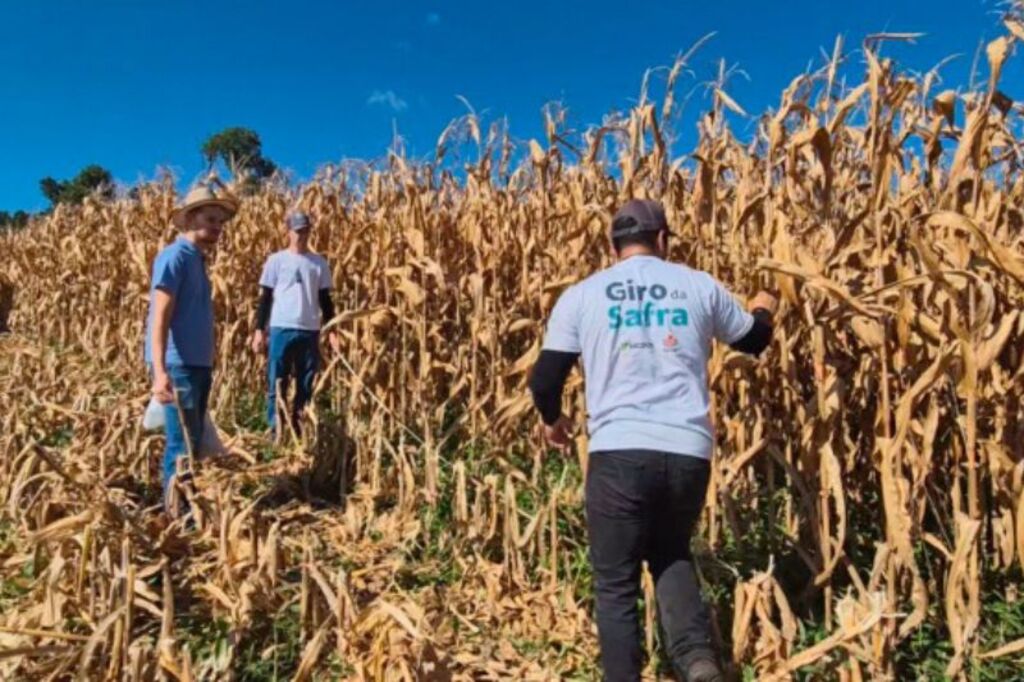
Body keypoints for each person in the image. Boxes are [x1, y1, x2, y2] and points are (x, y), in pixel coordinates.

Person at [527, 199, 777, 682]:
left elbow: (544, 380)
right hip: (687, 452)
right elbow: (752, 340)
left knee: (616, 582)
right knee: (670, 552)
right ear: (663, 239)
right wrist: (765, 308)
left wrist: (553, 420)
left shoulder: (583, 295)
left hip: (618, 452)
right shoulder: (698, 285)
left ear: (613, 246)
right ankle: (698, 662)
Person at [146, 183, 238, 516]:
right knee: (180, 444)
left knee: (193, 442)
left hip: (198, 365)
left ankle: (185, 505)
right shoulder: (175, 257)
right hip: (179, 365)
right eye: (210, 219)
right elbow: (160, 315)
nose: (217, 227)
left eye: (220, 222)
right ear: (189, 219)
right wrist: (160, 372)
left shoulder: (197, 260)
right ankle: (176, 513)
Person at [251, 211, 339, 434]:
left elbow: (325, 301)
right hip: (281, 327)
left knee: (305, 385)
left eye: (305, 231)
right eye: (297, 231)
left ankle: (299, 431)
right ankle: (276, 432)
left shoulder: (318, 263)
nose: (301, 235)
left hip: (309, 330)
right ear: (288, 232)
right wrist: (259, 330)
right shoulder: (276, 261)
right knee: (277, 382)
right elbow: (265, 298)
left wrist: (332, 331)